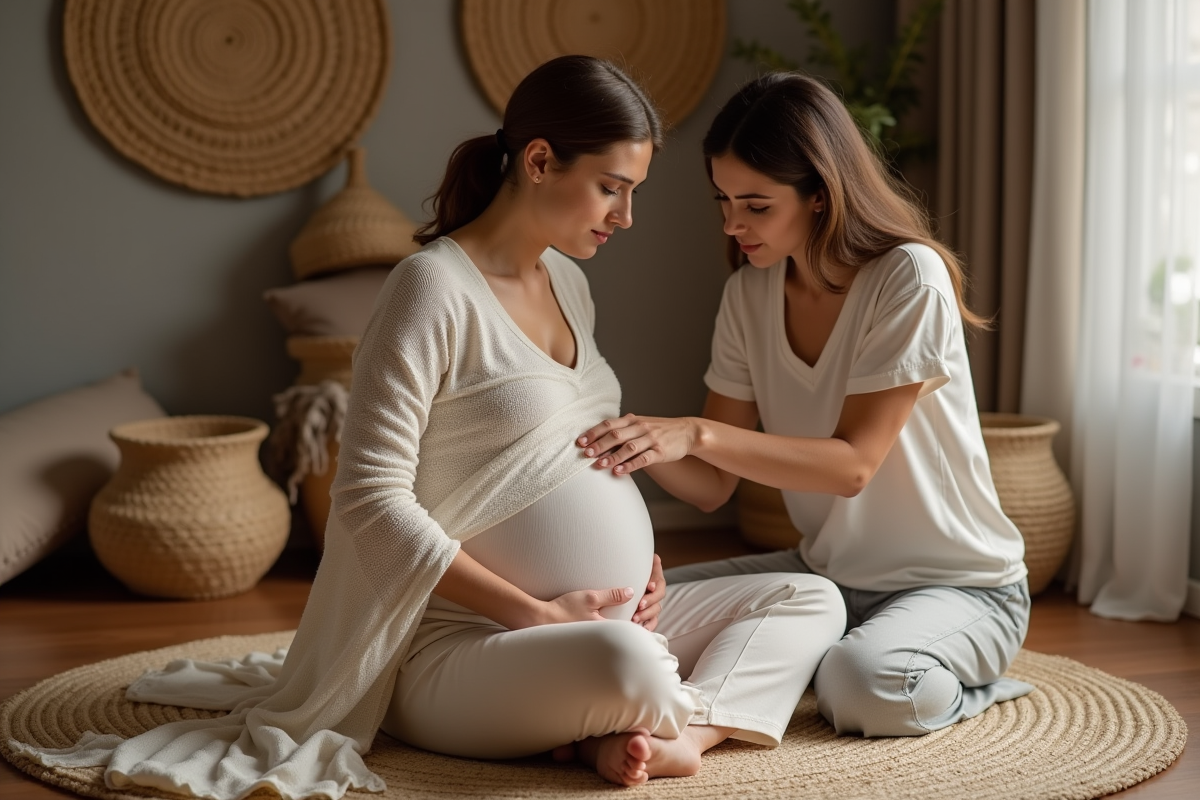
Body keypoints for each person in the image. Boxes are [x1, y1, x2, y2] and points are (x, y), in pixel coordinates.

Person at [17, 58, 845, 797]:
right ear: (540, 161)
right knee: (625, 665)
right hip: (463, 646)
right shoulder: (430, 287)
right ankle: (635, 705)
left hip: (601, 625)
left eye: (633, 191)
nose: (626, 216)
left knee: (808, 596)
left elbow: (570, 451)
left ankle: (669, 733)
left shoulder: (569, 282)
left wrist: (640, 573)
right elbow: (368, 500)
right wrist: (533, 616)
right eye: (611, 187)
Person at [576, 71, 1034, 739]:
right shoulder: (748, 295)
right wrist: (619, 432)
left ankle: (972, 686)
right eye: (723, 200)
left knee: (862, 685)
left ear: (820, 194)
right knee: (618, 622)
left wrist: (695, 433)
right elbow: (711, 486)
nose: (733, 224)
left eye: (757, 205)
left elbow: (852, 466)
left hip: (961, 587)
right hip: (825, 579)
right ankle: (821, 651)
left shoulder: (908, 277)